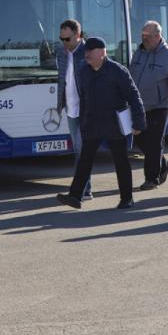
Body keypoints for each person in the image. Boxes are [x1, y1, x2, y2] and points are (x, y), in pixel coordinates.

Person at [57, 37, 146, 210]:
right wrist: (83, 122)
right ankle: (75, 196)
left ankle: (127, 198)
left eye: (90, 52)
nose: (86, 56)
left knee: (121, 161)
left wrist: (138, 122)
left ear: (101, 52)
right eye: (86, 53)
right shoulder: (85, 72)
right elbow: (84, 99)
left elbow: (133, 96)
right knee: (85, 160)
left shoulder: (117, 71)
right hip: (92, 123)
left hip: (114, 124)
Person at [130, 21, 168, 190]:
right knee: (139, 139)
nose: (144, 39)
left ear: (158, 36)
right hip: (139, 106)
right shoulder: (139, 53)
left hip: (160, 105)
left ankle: (151, 179)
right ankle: (164, 165)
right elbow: (130, 76)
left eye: (148, 36)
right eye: (142, 36)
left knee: (154, 142)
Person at [56, 19, 91, 200]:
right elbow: (62, 79)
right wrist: (59, 104)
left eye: (67, 39)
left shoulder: (88, 52)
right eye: (61, 39)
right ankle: (84, 190)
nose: (64, 43)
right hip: (70, 109)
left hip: (86, 110)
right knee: (79, 151)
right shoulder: (63, 53)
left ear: (78, 35)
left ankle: (81, 191)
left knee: (82, 151)